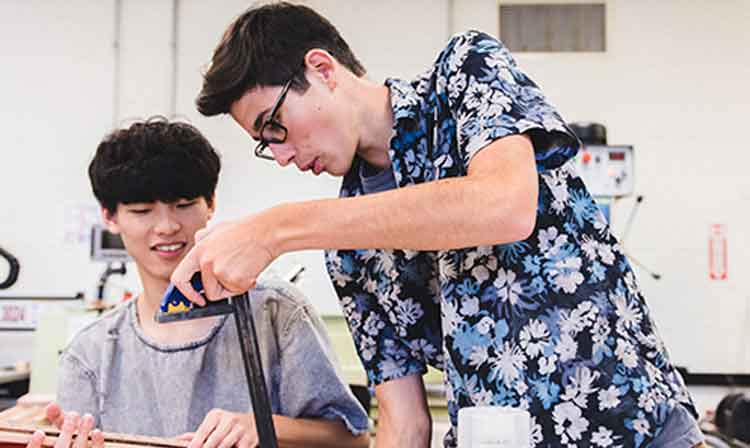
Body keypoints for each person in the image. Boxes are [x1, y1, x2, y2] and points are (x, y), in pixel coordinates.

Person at [171, 3, 703, 447]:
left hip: (640, 432)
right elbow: (404, 422)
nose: (282, 155)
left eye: (276, 126)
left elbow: (504, 207)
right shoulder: (349, 253)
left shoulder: (464, 76)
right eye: (266, 145)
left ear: (324, 69)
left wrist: (275, 229)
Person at [35, 118, 369, 448]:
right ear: (110, 217)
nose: (166, 227)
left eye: (183, 205)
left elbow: (352, 439)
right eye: (141, 211)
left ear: (211, 203)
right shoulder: (89, 355)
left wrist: (263, 428)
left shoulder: (275, 312)